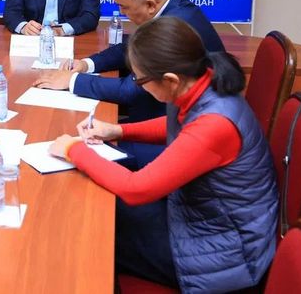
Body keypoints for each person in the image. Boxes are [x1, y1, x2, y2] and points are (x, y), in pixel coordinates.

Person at [49, 17, 278, 293]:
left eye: (140, 80)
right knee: (97, 207)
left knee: (94, 234)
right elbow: (178, 125)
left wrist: (73, 150)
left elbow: (136, 189)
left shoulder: (215, 124)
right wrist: (117, 130)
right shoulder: (200, 78)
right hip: (199, 217)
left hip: (225, 254)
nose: (138, 85)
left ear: (169, 80)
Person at [34, 0, 224, 121]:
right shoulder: (169, 7)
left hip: (172, 123)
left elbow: (131, 90)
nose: (122, 13)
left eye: (124, 7)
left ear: (150, 5)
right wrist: (86, 64)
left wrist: (72, 81)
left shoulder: (176, 26)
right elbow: (130, 47)